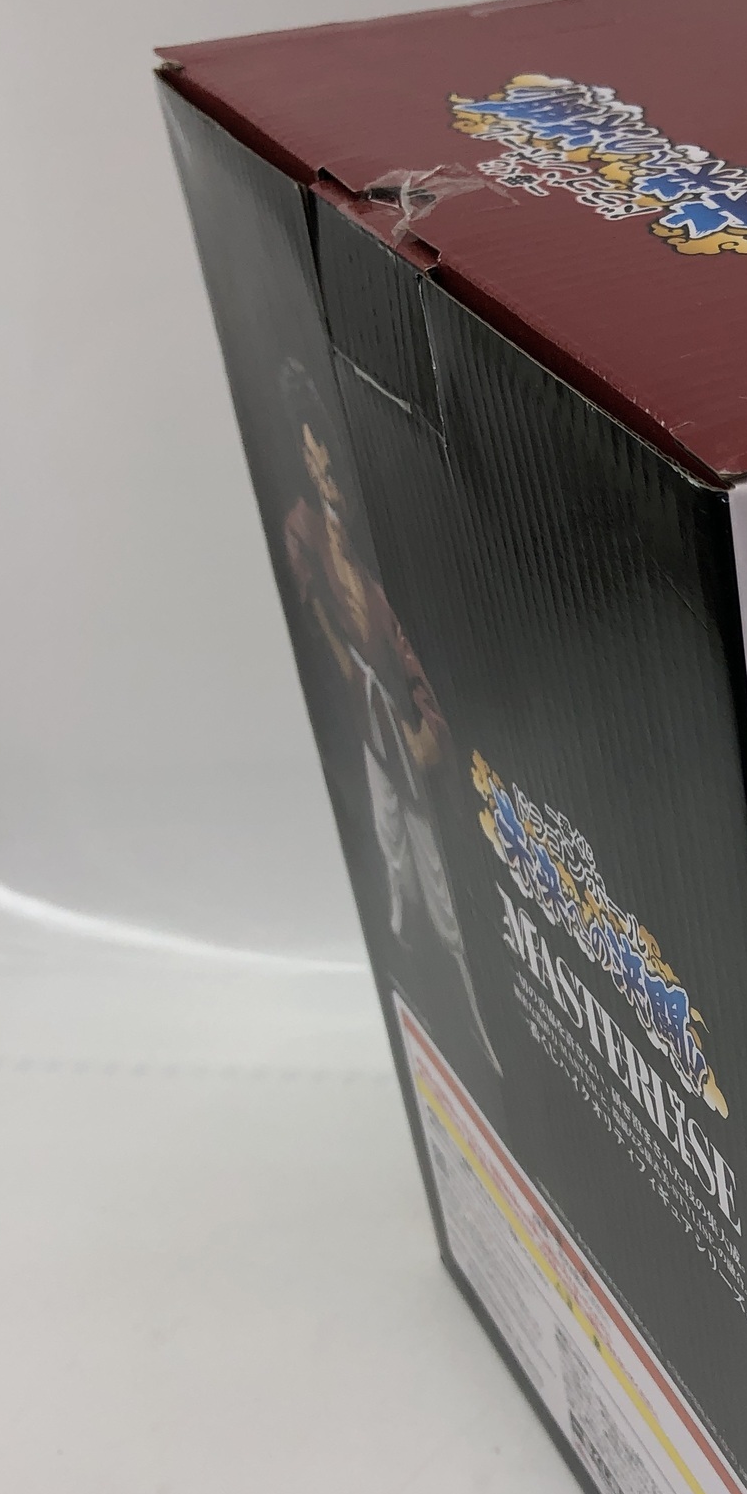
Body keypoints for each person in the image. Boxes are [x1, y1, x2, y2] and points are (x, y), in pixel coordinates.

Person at [277, 364, 502, 1075]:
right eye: (314, 464)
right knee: (388, 836)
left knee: (431, 855)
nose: (326, 478)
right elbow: (314, 607)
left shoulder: (376, 571)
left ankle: (464, 997)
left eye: (331, 465)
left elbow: (406, 654)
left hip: (400, 716)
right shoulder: (304, 531)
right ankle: (405, 949)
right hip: (365, 712)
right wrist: (349, 669)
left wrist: (422, 723)